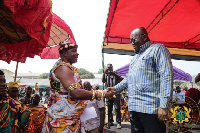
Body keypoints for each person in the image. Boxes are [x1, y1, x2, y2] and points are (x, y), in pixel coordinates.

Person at [106, 27, 174, 133]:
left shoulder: (157, 49)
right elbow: (128, 78)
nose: (131, 42)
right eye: (130, 40)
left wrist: (164, 106)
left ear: (144, 37)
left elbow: (166, 76)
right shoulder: (134, 58)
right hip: (134, 109)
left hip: (151, 110)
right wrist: (115, 89)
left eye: (134, 39)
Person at [42, 41, 114, 133]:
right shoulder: (63, 69)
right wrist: (102, 93)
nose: (77, 54)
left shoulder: (64, 67)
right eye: (73, 51)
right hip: (63, 120)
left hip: (67, 117)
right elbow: (75, 93)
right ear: (64, 54)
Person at [102, 63, 123, 129]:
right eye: (108, 68)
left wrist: (113, 74)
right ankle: (110, 121)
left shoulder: (116, 73)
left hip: (116, 93)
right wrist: (104, 73)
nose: (109, 69)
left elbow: (121, 78)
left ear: (112, 67)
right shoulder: (106, 75)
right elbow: (103, 81)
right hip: (108, 94)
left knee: (117, 108)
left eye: (110, 67)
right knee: (109, 108)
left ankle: (118, 123)